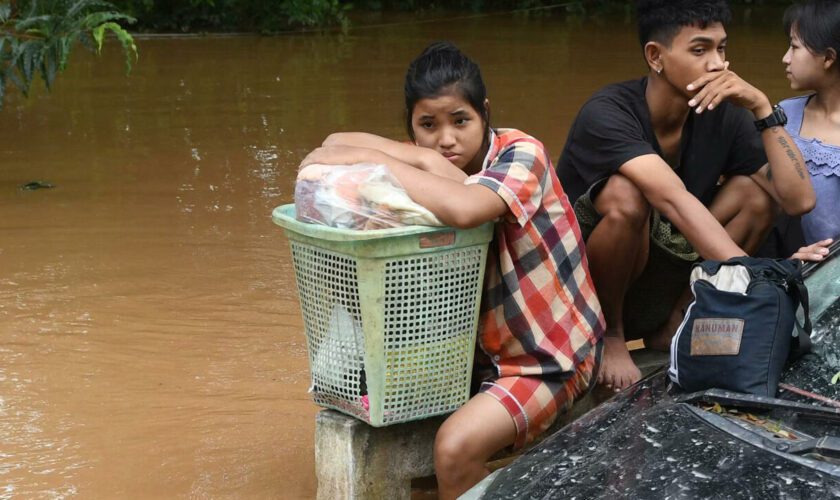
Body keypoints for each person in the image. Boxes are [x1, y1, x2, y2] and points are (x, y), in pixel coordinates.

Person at [298, 42, 605, 499]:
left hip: (551, 357)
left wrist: (397, 161)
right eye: (428, 126)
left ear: (484, 113)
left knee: (454, 449)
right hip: (483, 355)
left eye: (460, 121)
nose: (446, 140)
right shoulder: (428, 161)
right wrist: (417, 158)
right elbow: (330, 145)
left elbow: (467, 207)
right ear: (412, 129)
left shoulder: (523, 155)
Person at [556, 0, 817, 392]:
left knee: (756, 196)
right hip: (587, 291)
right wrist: (754, 280)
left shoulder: (724, 114)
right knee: (627, 195)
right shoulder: (607, 112)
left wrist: (762, 108)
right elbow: (672, 198)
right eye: (700, 50)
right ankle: (609, 335)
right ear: (655, 57)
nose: (718, 64)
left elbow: (798, 201)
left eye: (721, 48)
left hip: (662, 282)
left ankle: (677, 323)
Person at [762, 0, 840, 257]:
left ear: (828, 58)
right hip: (792, 264)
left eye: (794, 47)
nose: (785, 59)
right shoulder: (784, 115)